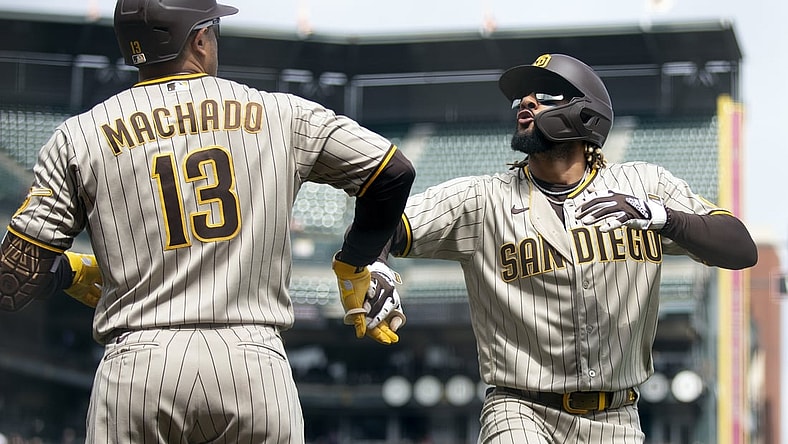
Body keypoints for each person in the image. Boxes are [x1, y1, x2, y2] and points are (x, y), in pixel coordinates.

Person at [0, 0, 414, 443]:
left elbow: (13, 278)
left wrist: (71, 273)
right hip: (253, 366)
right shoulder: (280, 113)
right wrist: (355, 263)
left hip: (137, 367)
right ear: (198, 38)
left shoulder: (78, 135)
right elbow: (391, 173)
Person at [371, 53, 757, 443]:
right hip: (520, 408)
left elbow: (740, 248)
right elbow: (381, 220)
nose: (526, 103)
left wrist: (663, 217)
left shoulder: (644, 186)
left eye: (543, 95)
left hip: (616, 416)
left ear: (585, 112)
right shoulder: (482, 198)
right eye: (520, 99)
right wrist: (375, 264)